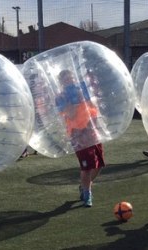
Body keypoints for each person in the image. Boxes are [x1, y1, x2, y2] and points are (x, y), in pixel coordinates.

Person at [56, 69, 105, 207]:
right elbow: (70, 115)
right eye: (66, 80)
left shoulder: (82, 89)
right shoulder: (61, 97)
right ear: (61, 83)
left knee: (99, 164)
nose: (69, 81)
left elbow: (94, 106)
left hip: (91, 129)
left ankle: (84, 186)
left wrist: (84, 96)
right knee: (87, 167)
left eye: (71, 78)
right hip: (77, 134)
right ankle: (87, 194)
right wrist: (73, 100)